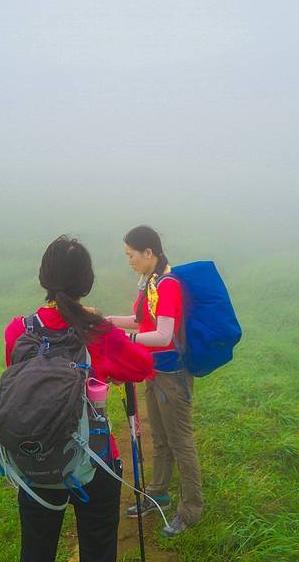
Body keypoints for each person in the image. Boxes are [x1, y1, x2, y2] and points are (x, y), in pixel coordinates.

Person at [4, 235, 154, 562]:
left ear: (44, 277)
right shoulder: (96, 331)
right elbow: (143, 366)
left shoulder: (18, 330)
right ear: (86, 282)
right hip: (94, 458)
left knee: (36, 552)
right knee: (98, 550)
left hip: (35, 456)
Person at [106, 225, 203, 537]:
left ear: (148, 252)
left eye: (131, 255)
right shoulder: (151, 283)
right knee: (159, 437)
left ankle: (191, 510)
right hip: (155, 372)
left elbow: (163, 335)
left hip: (172, 376)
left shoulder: (168, 285)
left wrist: (126, 340)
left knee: (180, 442)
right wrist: (108, 323)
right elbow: (141, 322)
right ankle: (158, 493)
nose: (129, 261)